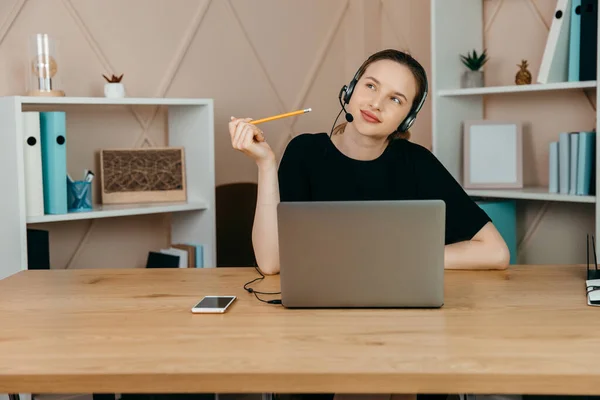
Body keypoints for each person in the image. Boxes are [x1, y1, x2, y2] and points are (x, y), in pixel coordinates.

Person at [229, 48, 510, 278]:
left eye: (395, 99)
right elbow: (270, 263)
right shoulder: (305, 151)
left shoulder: (418, 162)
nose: (376, 104)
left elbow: (496, 252)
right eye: (371, 86)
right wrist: (265, 164)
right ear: (350, 91)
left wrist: (397, 258)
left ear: (407, 119)